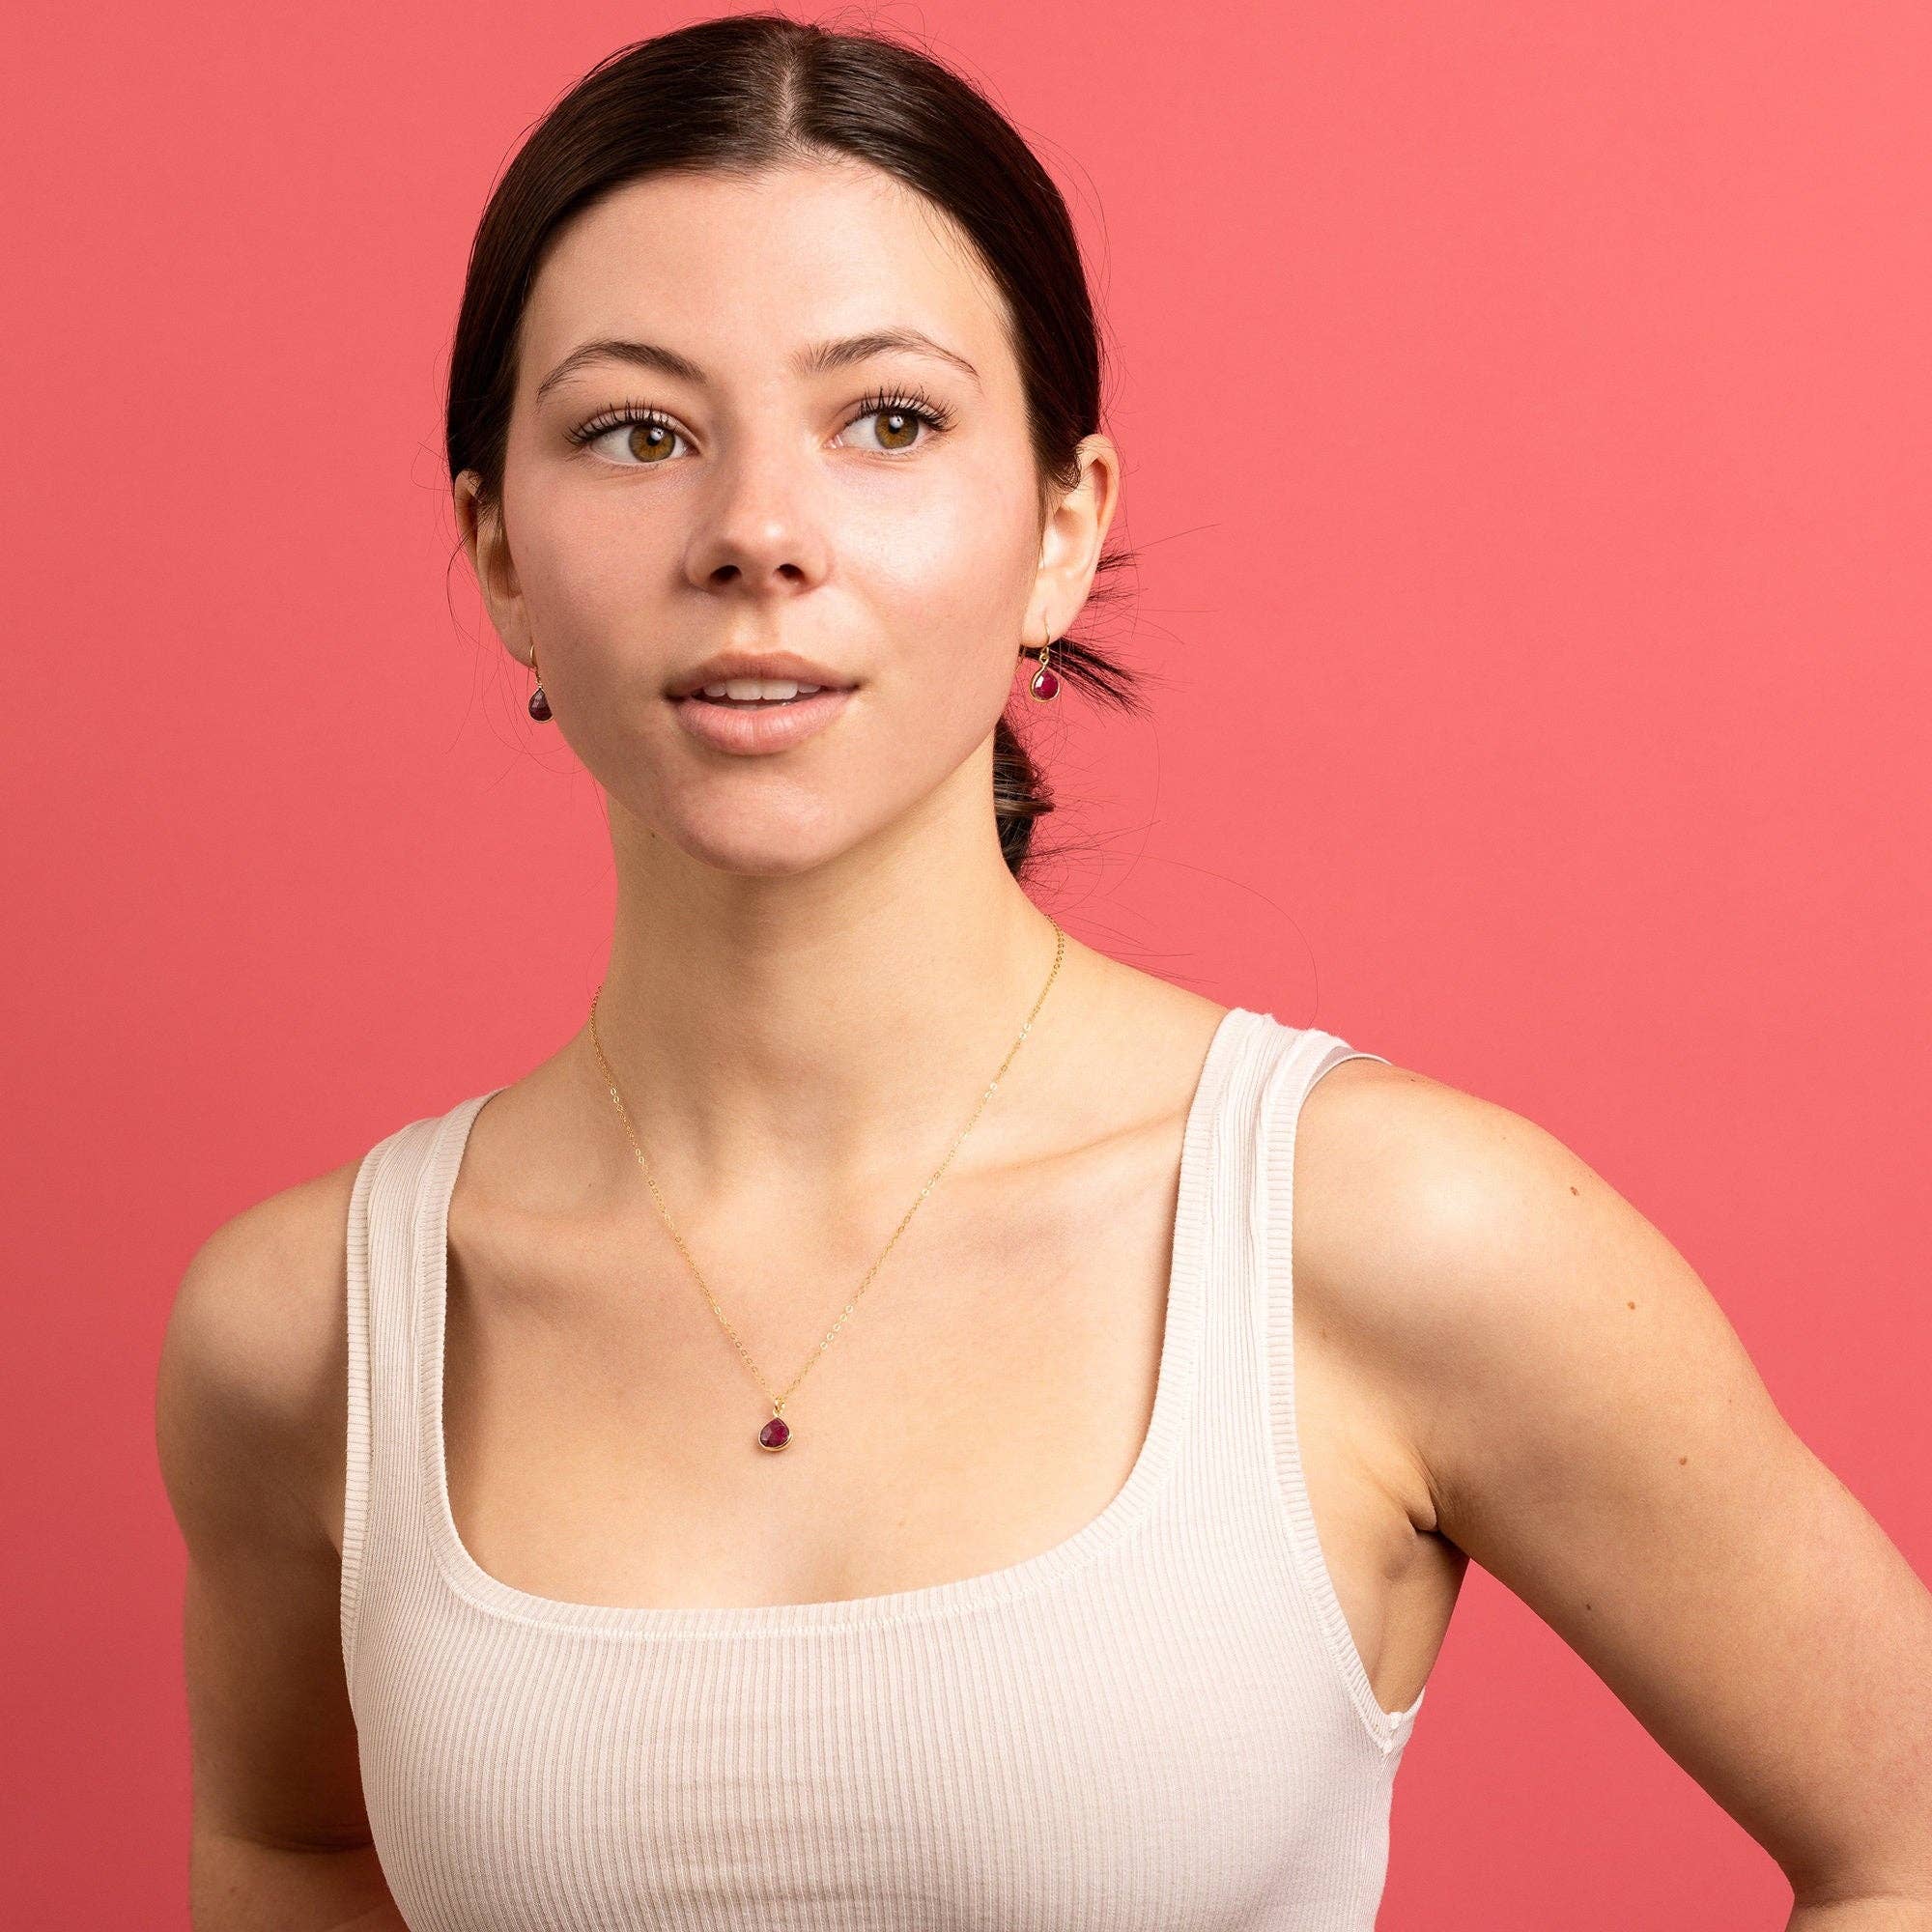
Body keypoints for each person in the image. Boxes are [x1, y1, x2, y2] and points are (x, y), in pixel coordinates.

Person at [155, 14, 1932, 1929]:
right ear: (499, 549)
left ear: (1060, 534)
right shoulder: (305, 1330)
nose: (759, 532)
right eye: (635, 430)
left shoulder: (1379, 1228)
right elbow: (285, 1842)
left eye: (888, 421)